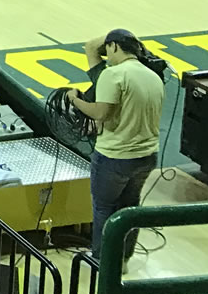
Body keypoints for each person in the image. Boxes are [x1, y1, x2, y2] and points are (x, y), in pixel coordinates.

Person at [66, 29, 163, 266]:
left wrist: (75, 100)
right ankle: (124, 260)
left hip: (115, 156)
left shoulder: (114, 75)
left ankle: (104, 262)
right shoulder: (154, 76)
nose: (106, 55)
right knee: (129, 209)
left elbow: (101, 113)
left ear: (114, 47)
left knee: (104, 208)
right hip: (147, 156)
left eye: (108, 49)